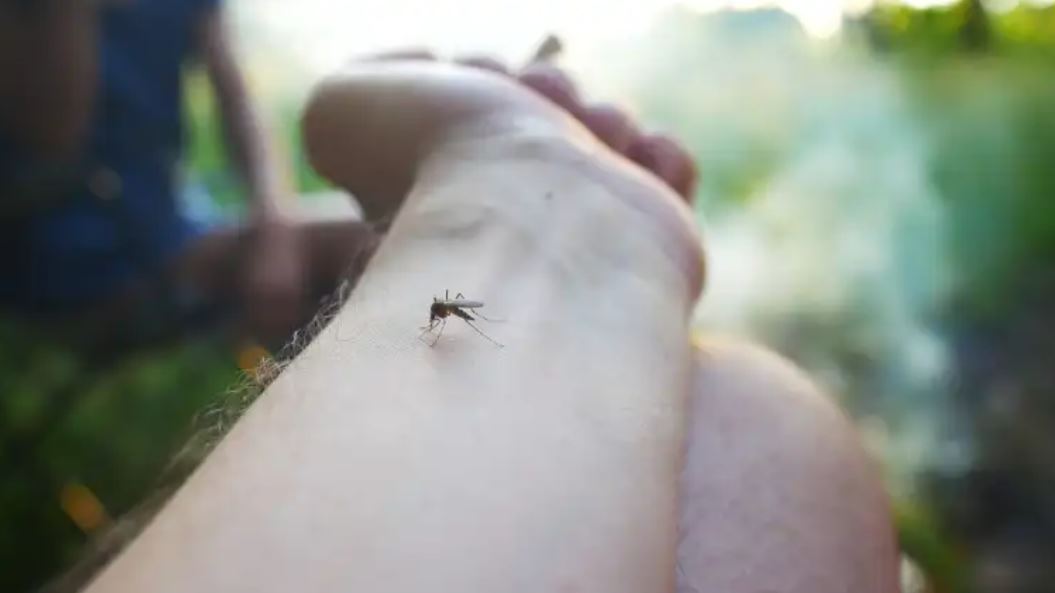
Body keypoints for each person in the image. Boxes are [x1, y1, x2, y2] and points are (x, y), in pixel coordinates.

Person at [74, 54, 901, 593]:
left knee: (750, 404)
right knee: (752, 407)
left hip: (200, 229)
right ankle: (523, 203)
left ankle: (506, 213)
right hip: (98, 256)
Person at [0, 0, 374, 346]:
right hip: (67, 254)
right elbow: (50, 141)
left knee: (377, 242)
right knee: (357, 259)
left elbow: (239, 107)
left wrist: (276, 232)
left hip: (171, 230)